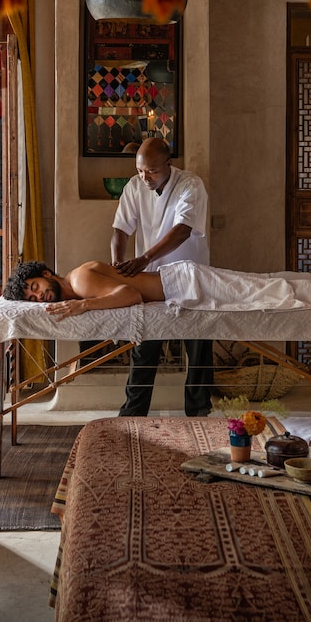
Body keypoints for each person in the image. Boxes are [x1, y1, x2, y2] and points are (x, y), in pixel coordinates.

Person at [109, 137, 212, 417]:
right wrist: (117, 263)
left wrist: (143, 259)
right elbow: (120, 229)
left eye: (152, 171)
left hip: (189, 277)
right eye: (140, 170)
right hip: (151, 280)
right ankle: (133, 414)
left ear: (169, 164)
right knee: (145, 345)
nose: (145, 177)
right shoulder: (134, 186)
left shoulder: (190, 185)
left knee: (197, 346)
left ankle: (198, 413)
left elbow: (182, 230)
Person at [2, 259, 311, 319]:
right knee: (269, 285)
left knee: (275, 293)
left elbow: (131, 296)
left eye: (36, 287)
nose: (40, 297)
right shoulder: (77, 281)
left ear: (47, 273)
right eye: (32, 298)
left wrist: (83, 307)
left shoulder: (79, 282)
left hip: (185, 284)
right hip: (183, 283)